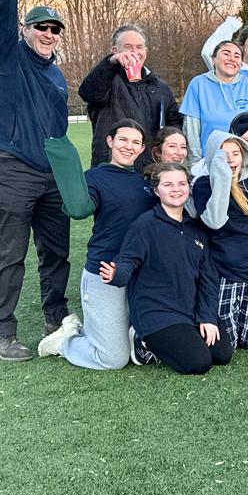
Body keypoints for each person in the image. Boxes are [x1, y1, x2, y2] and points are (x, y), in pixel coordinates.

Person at [0, 0, 73, 361]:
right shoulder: (8, 58)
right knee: (10, 254)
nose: (49, 34)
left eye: (55, 29)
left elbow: (57, 130)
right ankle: (3, 332)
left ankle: (56, 320)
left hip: (51, 175)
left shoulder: (57, 76)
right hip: (14, 169)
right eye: (41, 27)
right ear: (26, 30)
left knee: (56, 253)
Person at [39, 119, 156, 368]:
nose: (129, 146)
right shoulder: (94, 177)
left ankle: (90, 331)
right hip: (104, 272)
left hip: (137, 274)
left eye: (135, 142)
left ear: (142, 149)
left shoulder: (144, 183)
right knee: (114, 359)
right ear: (110, 141)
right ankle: (66, 341)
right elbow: (80, 208)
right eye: (123, 139)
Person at [102, 163, 232, 373]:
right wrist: (116, 274)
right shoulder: (145, 225)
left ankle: (182, 336)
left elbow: (208, 278)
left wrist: (207, 317)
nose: (176, 189)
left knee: (222, 354)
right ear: (156, 190)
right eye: (168, 184)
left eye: (181, 184)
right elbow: (127, 261)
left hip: (190, 308)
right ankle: (141, 342)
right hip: (157, 311)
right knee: (198, 363)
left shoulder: (196, 228)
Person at [191, 131, 248, 353]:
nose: (230, 159)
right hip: (225, 272)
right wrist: (222, 177)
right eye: (223, 154)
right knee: (228, 345)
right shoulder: (203, 185)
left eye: (235, 153)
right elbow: (215, 221)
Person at [78, 25, 181, 169]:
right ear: (115, 51)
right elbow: (88, 93)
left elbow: (174, 123)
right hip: (111, 169)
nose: (134, 52)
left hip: (149, 169)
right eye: (128, 47)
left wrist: (165, 148)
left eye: (139, 47)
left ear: (145, 52)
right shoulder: (106, 80)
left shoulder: (160, 87)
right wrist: (110, 63)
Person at [180, 38, 248, 164]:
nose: (232, 59)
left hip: (241, 164)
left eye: (237, 56)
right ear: (213, 59)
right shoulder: (198, 84)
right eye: (226, 54)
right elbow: (191, 130)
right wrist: (195, 164)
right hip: (209, 162)